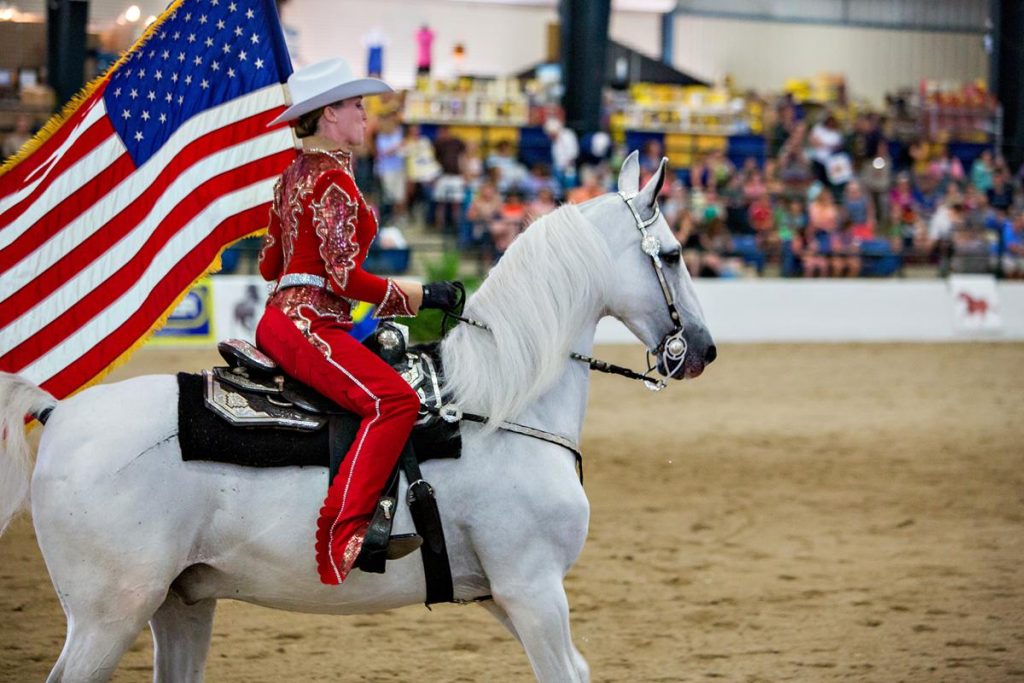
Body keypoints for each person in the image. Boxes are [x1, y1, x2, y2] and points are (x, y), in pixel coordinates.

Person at [256, 58, 459, 586]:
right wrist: (422, 295)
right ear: (328, 115)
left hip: (285, 319)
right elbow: (345, 280)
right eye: (356, 106)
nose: (367, 117)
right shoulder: (333, 183)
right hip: (310, 326)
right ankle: (343, 532)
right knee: (395, 401)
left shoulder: (291, 177)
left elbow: (269, 266)